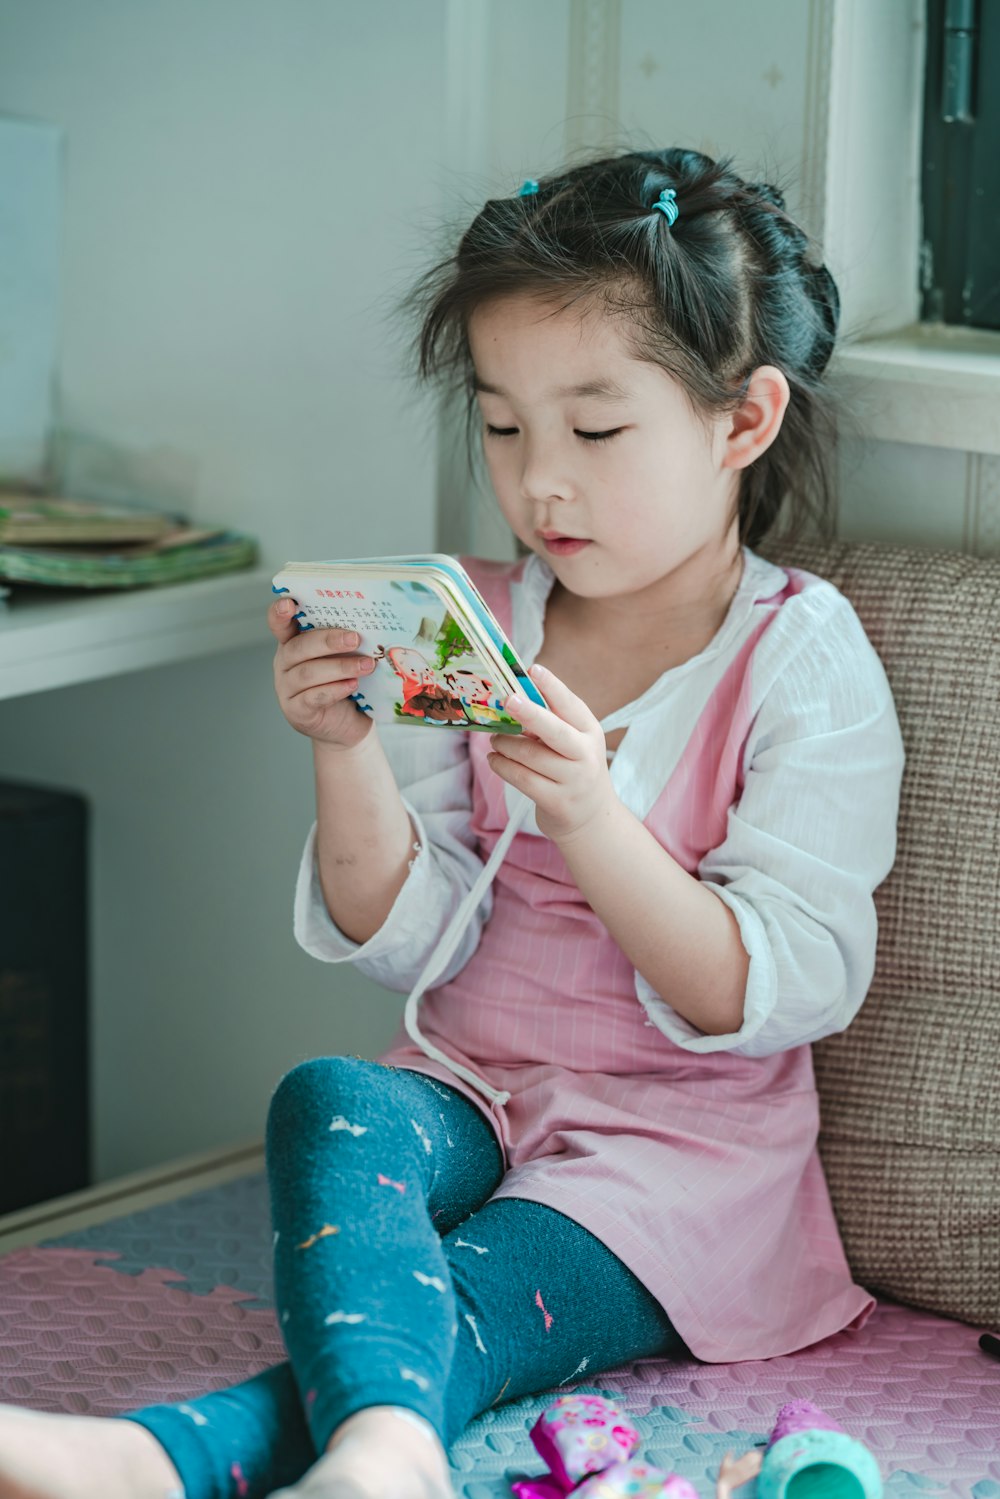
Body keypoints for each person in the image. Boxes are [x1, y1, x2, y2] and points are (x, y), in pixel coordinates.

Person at [0, 146, 905, 1499]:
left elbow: (763, 991)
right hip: (475, 1088)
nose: (540, 484)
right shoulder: (481, 619)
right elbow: (394, 935)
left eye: (595, 432)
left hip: (677, 1159)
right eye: (500, 426)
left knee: (470, 1293)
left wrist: (593, 816)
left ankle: (205, 1457)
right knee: (332, 1097)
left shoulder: (799, 659)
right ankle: (361, 1448)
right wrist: (343, 749)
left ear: (743, 420)